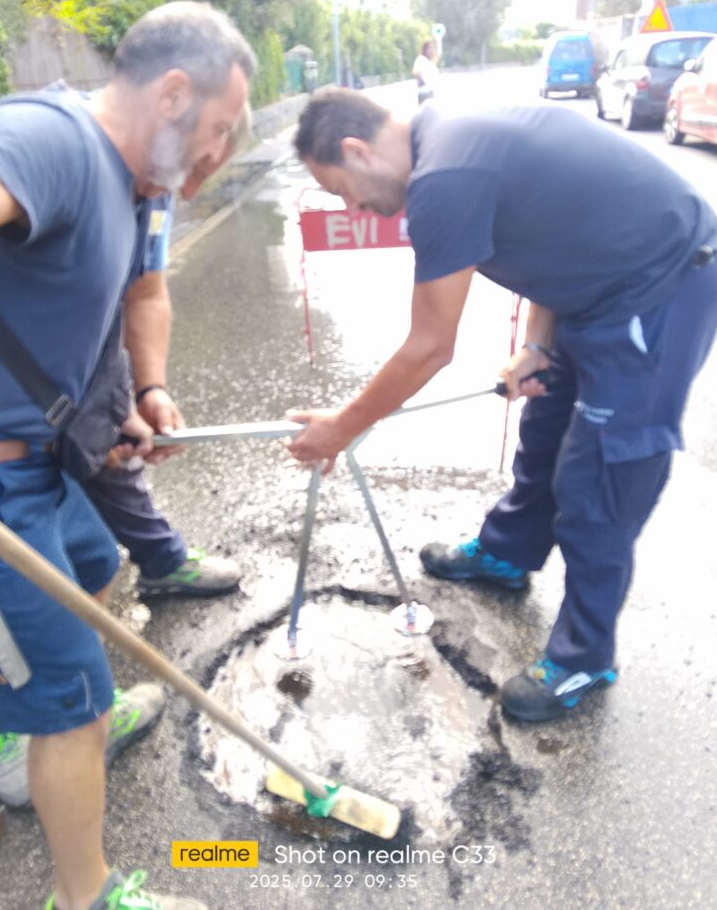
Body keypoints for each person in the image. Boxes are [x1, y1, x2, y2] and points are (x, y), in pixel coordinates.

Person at [0, 1, 255, 910]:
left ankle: (26, 714)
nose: (219, 152)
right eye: (219, 128)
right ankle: (83, 893)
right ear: (172, 94)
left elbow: (138, 296)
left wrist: (144, 393)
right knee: (73, 700)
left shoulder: (136, 188)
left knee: (95, 564)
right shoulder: (49, 139)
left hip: (46, 469)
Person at [286, 87, 717, 724]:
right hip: (599, 287)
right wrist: (535, 347)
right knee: (543, 426)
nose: (354, 207)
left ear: (356, 149)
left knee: (599, 474)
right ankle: (509, 553)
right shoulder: (449, 138)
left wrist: (342, 428)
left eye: (343, 190)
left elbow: (431, 347)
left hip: (658, 286)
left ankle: (583, 658)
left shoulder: (446, 176)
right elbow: (559, 240)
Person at [85, 104, 254, 600]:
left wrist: (146, 389)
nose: (191, 191)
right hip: (0, 406)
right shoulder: (68, 160)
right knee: (63, 556)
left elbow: (146, 291)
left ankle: (161, 561)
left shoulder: (154, 190)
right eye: (194, 169)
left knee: (89, 551)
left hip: (81, 372)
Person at [412, 38, 440, 104]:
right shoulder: (421, 59)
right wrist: (419, 74)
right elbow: (415, 72)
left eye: (433, 48)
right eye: (429, 48)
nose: (431, 50)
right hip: (424, 93)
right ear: (425, 49)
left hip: (431, 92)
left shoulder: (431, 62)